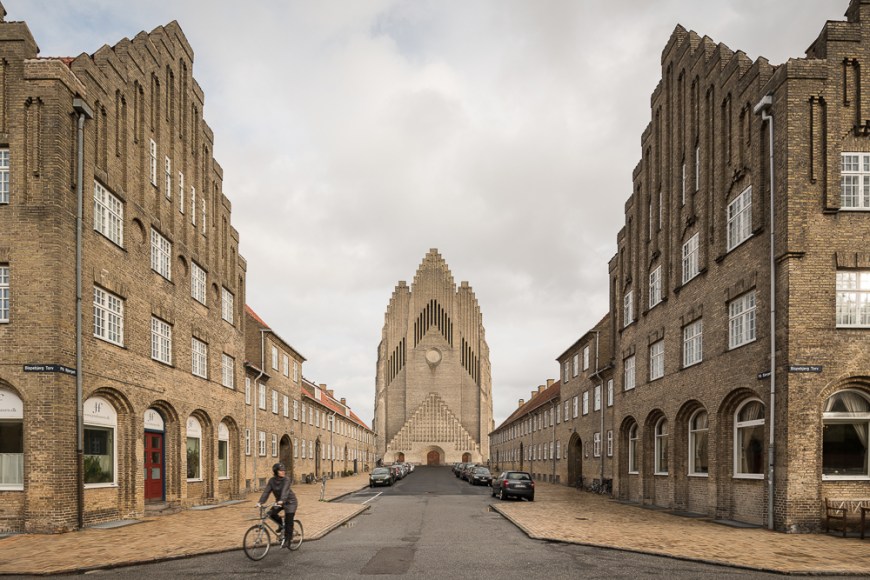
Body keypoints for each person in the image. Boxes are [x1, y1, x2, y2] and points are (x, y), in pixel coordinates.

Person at [257, 462, 298, 547]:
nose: (283, 472)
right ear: (276, 471)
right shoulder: (272, 481)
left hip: (290, 502)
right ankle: (281, 526)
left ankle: (288, 540)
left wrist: (282, 500)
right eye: (280, 470)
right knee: (270, 513)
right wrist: (260, 502)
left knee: (288, 521)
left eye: (284, 470)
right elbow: (266, 491)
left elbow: (285, 491)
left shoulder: (286, 480)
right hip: (280, 502)